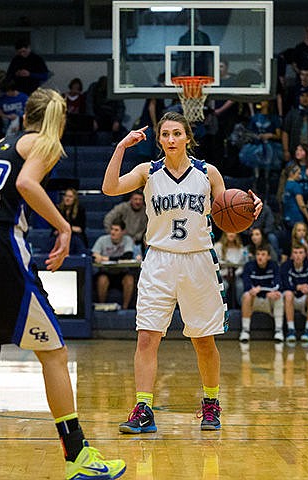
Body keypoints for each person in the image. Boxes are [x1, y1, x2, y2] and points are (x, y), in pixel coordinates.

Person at [0, 88, 125, 480]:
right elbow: (27, 185)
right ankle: (78, 456)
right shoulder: (44, 143)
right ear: (57, 120)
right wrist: (63, 227)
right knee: (55, 353)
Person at [101, 111, 262, 432]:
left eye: (176, 134)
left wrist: (248, 207)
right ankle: (143, 408)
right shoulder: (148, 171)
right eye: (165, 135)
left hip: (198, 260)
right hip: (159, 260)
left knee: (203, 341)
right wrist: (121, 147)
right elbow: (109, 188)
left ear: (187, 137)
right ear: (159, 140)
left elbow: (227, 210)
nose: (171, 140)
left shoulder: (208, 173)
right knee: (147, 337)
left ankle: (211, 403)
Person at [240, 245, 284, 342]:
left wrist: (262, 290)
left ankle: (279, 330)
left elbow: (278, 286)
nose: (260, 257)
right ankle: (245, 331)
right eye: (258, 254)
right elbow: (247, 286)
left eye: (263, 254)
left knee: (278, 295)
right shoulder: (248, 266)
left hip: (268, 301)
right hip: (254, 301)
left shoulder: (274, 266)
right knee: (247, 295)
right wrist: (265, 291)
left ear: (268, 257)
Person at [91, 220, 136, 309]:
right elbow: (94, 255)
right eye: (112, 229)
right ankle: (102, 306)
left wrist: (106, 258)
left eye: (116, 230)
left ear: (123, 232)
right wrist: (97, 257)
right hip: (106, 272)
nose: (113, 232)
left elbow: (128, 256)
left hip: (122, 273)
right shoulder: (102, 240)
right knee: (102, 280)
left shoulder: (127, 240)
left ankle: (125, 308)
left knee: (129, 279)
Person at [280, 243, 308, 344]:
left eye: (301, 253)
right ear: (291, 255)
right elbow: (284, 284)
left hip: (305, 299)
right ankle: (291, 330)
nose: (298, 255)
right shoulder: (285, 266)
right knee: (288, 293)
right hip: (291, 298)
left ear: (305, 254)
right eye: (295, 253)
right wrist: (298, 287)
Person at [212, 231, 248, 307]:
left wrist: (235, 273)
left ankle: (243, 308)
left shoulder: (240, 248)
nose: (231, 234)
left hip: (236, 275)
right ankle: (220, 308)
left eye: (233, 232)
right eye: (229, 232)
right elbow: (214, 262)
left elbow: (242, 265)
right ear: (225, 233)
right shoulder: (218, 246)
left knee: (240, 286)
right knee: (223, 285)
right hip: (221, 275)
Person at [54, 187, 88, 254]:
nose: (67, 198)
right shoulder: (58, 209)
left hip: (75, 236)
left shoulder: (80, 210)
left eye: (70, 197)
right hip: (60, 235)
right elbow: (54, 228)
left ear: (74, 199)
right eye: (66, 196)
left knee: (74, 239)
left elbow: (80, 229)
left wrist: (65, 229)